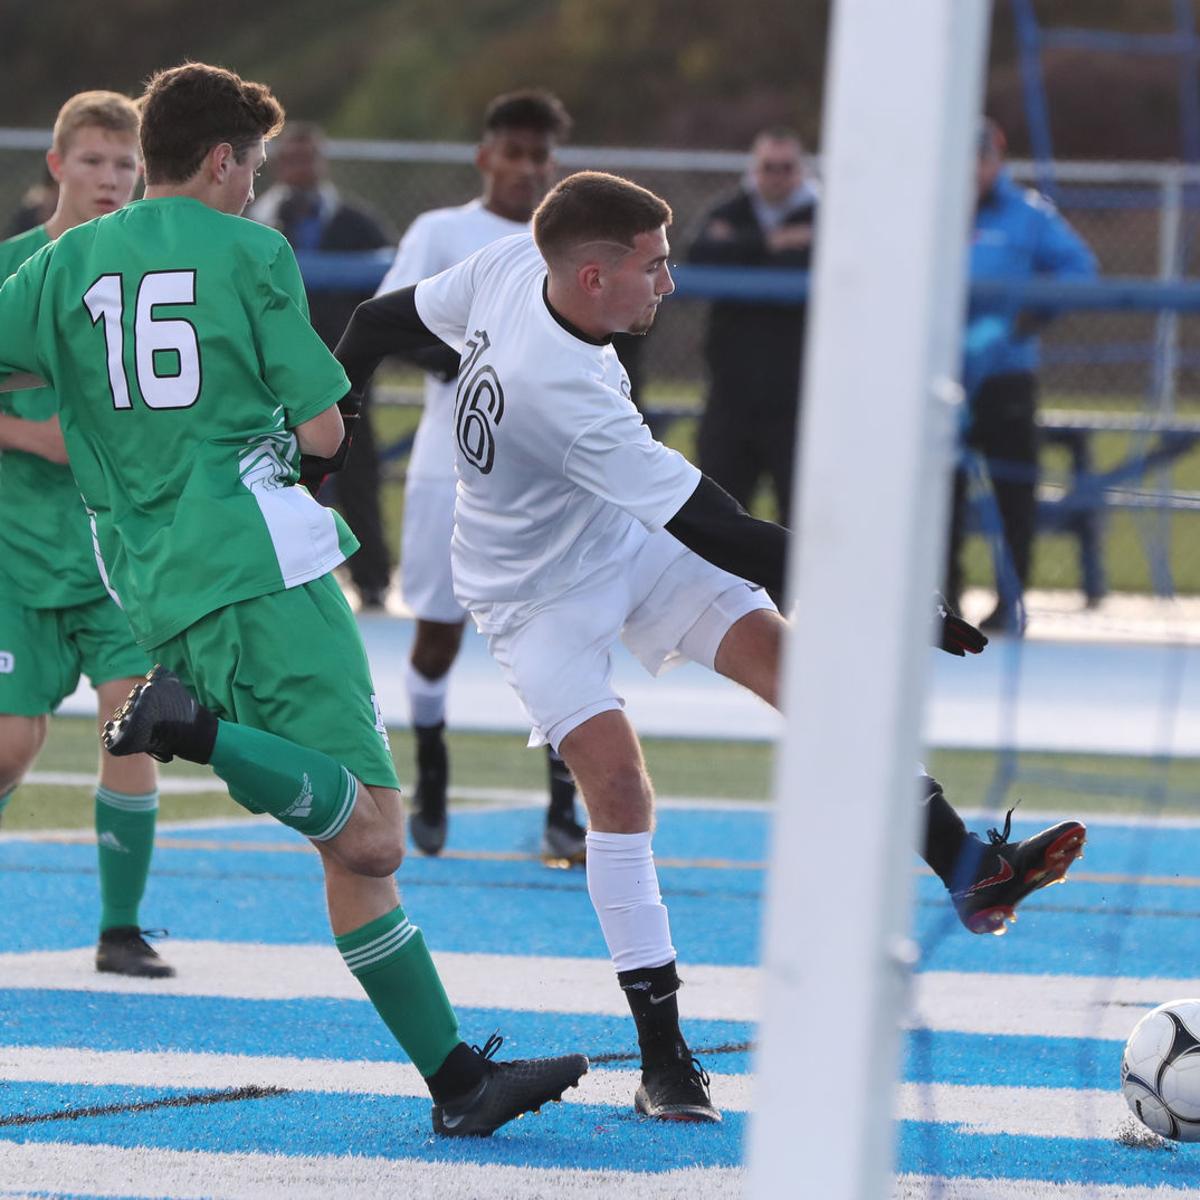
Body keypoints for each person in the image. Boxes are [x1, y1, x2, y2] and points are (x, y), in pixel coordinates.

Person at [335, 170, 1088, 1124]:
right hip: (534, 598)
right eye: (653, 266)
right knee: (618, 790)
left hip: (621, 538)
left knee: (806, 678)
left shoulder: (516, 261)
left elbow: (374, 321)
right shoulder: (558, 389)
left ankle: (964, 862)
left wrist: (330, 425)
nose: (670, 282)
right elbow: (720, 528)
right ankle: (664, 1059)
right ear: (594, 276)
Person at [0, 61, 586, 1139]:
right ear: (222, 159)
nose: (254, 184)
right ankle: (190, 728)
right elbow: (322, 424)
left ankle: (459, 1084)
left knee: (348, 848)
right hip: (260, 566)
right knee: (376, 836)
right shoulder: (251, 249)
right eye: (253, 165)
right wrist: (288, 440)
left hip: (152, 580)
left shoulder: (64, 260)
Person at [374, 89, 586, 863]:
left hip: (545, 474)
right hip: (448, 467)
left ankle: (563, 808)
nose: (526, 168)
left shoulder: (570, 241)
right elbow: (389, 319)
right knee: (437, 635)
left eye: (540, 155)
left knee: (559, 635)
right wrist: (473, 361)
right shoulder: (442, 231)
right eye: (514, 152)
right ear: (485, 155)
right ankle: (432, 774)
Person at [0, 90, 170, 979]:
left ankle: (121, 929)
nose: (110, 177)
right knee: (9, 745)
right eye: (94, 160)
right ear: (57, 163)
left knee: (132, 722)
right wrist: (35, 437)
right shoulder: (12, 269)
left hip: (121, 553)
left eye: (125, 163)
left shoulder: (154, 278)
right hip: (16, 548)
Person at [946, 118, 1098, 632]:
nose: (971, 172)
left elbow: (1079, 270)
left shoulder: (1028, 215)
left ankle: (1010, 601)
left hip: (1003, 373)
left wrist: (1024, 318)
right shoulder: (931, 207)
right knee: (939, 491)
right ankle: (944, 598)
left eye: (980, 161)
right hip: (940, 375)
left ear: (996, 162)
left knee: (1013, 489)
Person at [247, 122, 394, 611]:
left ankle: (371, 578)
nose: (300, 167)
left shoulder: (357, 223)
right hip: (266, 374)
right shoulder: (256, 220)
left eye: (308, 157)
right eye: (290, 158)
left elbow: (386, 297)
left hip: (344, 370)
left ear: (322, 161)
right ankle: (271, 578)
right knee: (265, 470)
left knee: (357, 468)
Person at [687, 127, 816, 526]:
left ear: (802, 170)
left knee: (802, 518)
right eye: (767, 167)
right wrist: (771, 243)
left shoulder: (825, 214)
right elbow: (697, 257)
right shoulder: (731, 209)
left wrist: (739, 248)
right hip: (731, 392)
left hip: (800, 396)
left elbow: (824, 265)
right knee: (718, 515)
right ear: (753, 170)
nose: (776, 176)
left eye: (786, 167)